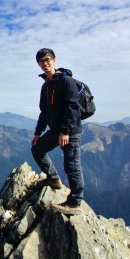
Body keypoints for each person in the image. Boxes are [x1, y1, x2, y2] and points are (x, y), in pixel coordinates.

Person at [31, 48, 84, 215]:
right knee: (37, 149)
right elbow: (44, 112)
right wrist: (38, 133)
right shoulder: (45, 86)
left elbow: (73, 106)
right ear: (38, 64)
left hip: (70, 131)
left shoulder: (67, 81)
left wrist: (65, 131)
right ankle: (54, 179)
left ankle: (75, 202)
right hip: (55, 130)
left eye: (48, 59)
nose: (45, 63)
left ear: (54, 60)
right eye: (41, 61)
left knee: (72, 164)